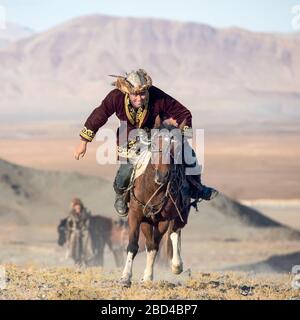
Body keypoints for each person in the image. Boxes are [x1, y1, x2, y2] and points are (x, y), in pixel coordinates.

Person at [74, 69, 218, 217]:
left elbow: (184, 113)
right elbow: (99, 115)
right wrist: (84, 141)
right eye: (135, 94)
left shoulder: (157, 96)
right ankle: (121, 196)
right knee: (126, 170)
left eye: (142, 94)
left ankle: (197, 188)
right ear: (127, 92)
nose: (139, 98)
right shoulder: (115, 97)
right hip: (129, 138)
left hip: (156, 135)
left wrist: (183, 137)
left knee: (188, 154)